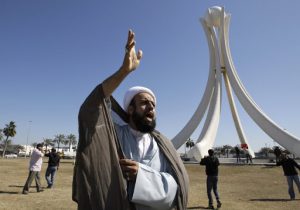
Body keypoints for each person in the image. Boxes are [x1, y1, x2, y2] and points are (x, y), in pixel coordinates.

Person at [72, 29, 189, 210]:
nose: (151, 107)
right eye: (144, 103)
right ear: (131, 109)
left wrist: (141, 175)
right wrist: (124, 72)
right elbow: (90, 110)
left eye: (153, 104)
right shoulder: (115, 136)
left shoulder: (163, 144)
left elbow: (176, 186)